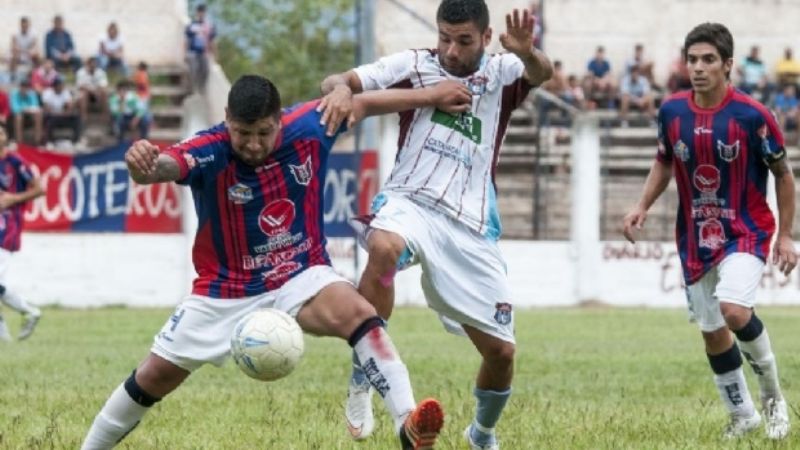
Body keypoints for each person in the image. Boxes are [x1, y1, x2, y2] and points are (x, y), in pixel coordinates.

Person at [80, 74, 474, 450]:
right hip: (225, 291)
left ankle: (406, 421)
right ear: (227, 121)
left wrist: (431, 96)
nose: (252, 144)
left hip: (299, 274)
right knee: (152, 377)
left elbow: (365, 103)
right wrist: (142, 165)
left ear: (280, 120)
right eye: (243, 133)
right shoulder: (209, 148)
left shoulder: (309, 126)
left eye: (264, 133)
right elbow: (164, 166)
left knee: (360, 314)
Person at [319, 2, 552, 449]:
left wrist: (527, 53)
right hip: (410, 203)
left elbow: (542, 73)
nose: (450, 49)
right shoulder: (414, 64)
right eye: (445, 37)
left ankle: (481, 433)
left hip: (470, 227)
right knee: (383, 250)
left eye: (463, 41)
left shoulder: (503, 72)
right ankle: (362, 373)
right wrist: (341, 91)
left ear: (485, 38)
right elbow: (338, 82)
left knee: (501, 353)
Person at [622, 22, 795, 440]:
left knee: (735, 311)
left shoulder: (753, 116)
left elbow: (784, 175)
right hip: (697, 236)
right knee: (713, 332)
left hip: (747, 231)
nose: (698, 68)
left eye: (708, 60)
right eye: (693, 59)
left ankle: (774, 403)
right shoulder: (672, 112)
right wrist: (642, 205)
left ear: (728, 64)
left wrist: (786, 236)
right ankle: (744, 415)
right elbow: (664, 160)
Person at [0, 126, 44, 342]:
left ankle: (30, 311)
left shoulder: (15, 162)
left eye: (0, 132)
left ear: (6, 137)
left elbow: (39, 189)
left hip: (7, 227)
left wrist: (12, 199)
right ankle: (4, 337)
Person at [185, 3, 216, 92]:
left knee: (205, 70)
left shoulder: (209, 25)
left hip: (204, 52)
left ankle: (201, 88)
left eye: (203, 12)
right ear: (197, 12)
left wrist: (214, 55)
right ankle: (193, 89)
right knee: (193, 71)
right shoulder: (192, 25)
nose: (201, 13)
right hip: (193, 52)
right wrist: (185, 53)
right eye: (200, 11)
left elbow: (212, 41)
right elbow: (187, 40)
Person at [41, 77, 81, 145]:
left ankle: (76, 141)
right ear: (55, 86)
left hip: (62, 116)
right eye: (60, 85)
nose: (61, 87)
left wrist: (70, 107)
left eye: (62, 85)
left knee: (76, 118)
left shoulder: (65, 92)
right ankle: (49, 142)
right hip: (51, 116)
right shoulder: (47, 93)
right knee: (49, 120)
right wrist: (61, 113)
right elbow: (47, 109)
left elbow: (69, 108)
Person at [76, 57, 109, 122]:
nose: (93, 66)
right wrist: (91, 91)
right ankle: (84, 115)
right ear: (87, 65)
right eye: (91, 65)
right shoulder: (80, 72)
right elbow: (81, 86)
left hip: (97, 94)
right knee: (84, 93)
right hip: (85, 93)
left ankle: (104, 115)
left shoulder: (101, 72)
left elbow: (103, 85)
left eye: (94, 65)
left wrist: (96, 91)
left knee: (104, 92)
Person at [10, 80, 43, 145]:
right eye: (23, 87)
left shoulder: (31, 93)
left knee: (39, 115)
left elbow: (35, 106)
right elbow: (14, 108)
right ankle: (19, 142)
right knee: (19, 117)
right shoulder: (14, 94)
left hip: (30, 115)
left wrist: (27, 110)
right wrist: (25, 109)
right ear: (20, 87)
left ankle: (37, 141)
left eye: (26, 87)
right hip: (17, 115)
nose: (24, 89)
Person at [9, 16, 40, 82]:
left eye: (26, 25)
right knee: (14, 56)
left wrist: (29, 52)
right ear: (21, 25)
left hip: (28, 54)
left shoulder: (33, 34)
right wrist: (22, 50)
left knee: (37, 57)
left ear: (28, 25)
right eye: (23, 25)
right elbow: (13, 47)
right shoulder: (15, 33)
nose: (25, 27)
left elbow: (35, 47)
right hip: (19, 55)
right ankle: (13, 75)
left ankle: (34, 76)